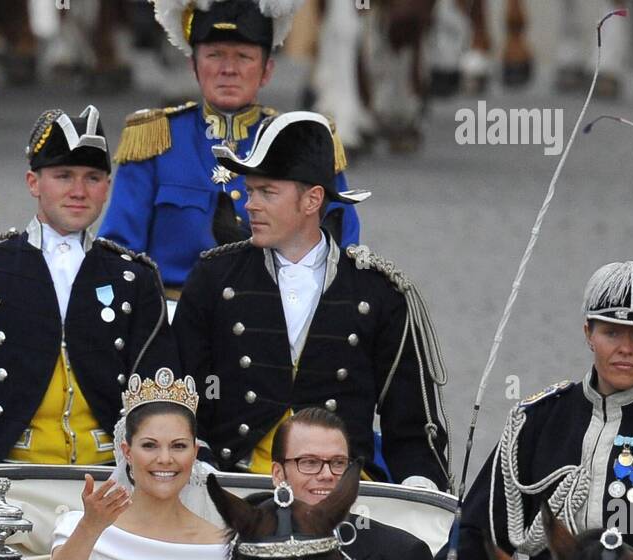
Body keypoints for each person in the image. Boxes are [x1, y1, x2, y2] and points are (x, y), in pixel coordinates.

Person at [0, 105, 178, 481]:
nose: (79, 191)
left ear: (107, 188)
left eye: (93, 177)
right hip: (6, 478)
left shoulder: (134, 277)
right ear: (34, 183)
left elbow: (162, 394)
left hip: (111, 482)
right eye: (63, 176)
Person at [174, 110, 449, 484]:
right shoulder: (213, 279)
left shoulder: (378, 292)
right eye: (251, 190)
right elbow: (182, 391)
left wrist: (420, 485)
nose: (250, 204)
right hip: (236, 482)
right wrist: (200, 459)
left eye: (267, 192)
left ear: (312, 200)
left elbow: (412, 425)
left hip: (342, 492)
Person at [410, 261, 633, 560]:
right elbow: (481, 530)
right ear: (588, 332)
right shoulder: (536, 420)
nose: (626, 348)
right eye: (612, 332)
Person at [99, 0, 361, 295]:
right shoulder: (155, 141)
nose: (229, 69)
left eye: (244, 57)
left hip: (275, 322)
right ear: (194, 66)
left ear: (266, 70)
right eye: (214, 55)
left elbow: (342, 253)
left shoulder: (304, 142)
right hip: (175, 324)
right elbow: (116, 255)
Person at [43, 369, 226, 560]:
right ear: (127, 452)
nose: (165, 459)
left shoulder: (221, 545)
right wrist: (90, 528)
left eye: (178, 446)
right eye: (149, 445)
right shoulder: (78, 525)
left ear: (195, 453)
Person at [270, 408, 431, 560]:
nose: (327, 475)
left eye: (338, 463)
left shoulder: (403, 555)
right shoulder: (235, 545)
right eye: (309, 462)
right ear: (278, 474)